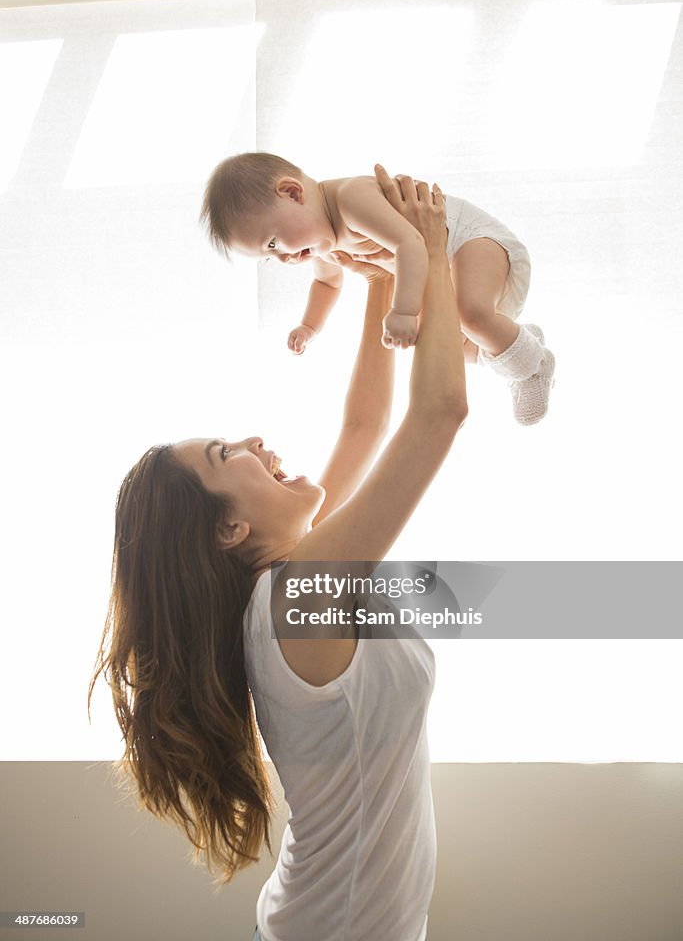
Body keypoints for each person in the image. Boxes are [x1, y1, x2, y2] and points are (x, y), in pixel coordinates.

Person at [89, 168, 467, 941]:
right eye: (229, 454)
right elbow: (439, 413)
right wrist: (431, 250)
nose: (257, 441)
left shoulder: (292, 585)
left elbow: (366, 425)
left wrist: (380, 281)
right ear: (227, 530)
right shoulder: (297, 596)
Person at [201, 152, 555, 426]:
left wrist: (401, 311)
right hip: (445, 268)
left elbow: (411, 244)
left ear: (292, 192)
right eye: (268, 257)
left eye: (274, 243)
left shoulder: (350, 199)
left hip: (476, 242)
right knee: (437, 336)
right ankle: (515, 341)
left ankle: (531, 367)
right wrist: (309, 326)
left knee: (468, 313)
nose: (282, 259)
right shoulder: (323, 242)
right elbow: (326, 282)